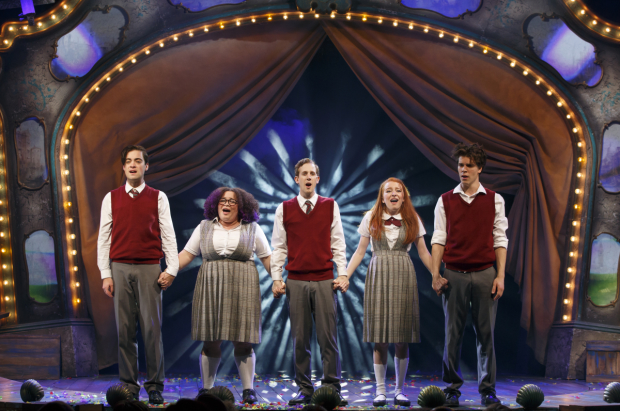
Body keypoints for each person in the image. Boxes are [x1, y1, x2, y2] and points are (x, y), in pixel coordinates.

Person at [98, 145, 179, 405]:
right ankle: (129, 386)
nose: (133, 165)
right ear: (123, 167)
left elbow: (168, 235)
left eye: (138, 161)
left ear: (146, 166)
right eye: (129, 161)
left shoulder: (158, 197)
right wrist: (106, 273)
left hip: (149, 268)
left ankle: (154, 386)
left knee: (152, 330)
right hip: (119, 267)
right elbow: (104, 238)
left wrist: (171, 269)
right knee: (124, 330)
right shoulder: (111, 198)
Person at [430, 143, 508, 407]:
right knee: (452, 334)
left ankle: (488, 390)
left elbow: (500, 239)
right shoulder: (445, 200)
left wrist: (500, 276)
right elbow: (439, 238)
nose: (463, 170)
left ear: (479, 168)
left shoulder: (495, 199)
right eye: (460, 165)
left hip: (485, 273)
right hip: (454, 274)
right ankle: (452, 389)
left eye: (469, 165)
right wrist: (436, 274)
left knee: (486, 335)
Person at [176, 187, 271, 404]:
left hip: (243, 285)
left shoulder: (252, 228)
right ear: (215, 204)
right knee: (211, 340)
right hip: (211, 285)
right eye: (222, 200)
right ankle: (207, 389)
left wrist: (277, 280)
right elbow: (187, 254)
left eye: (232, 201)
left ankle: (248, 390)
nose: (226, 204)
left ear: (241, 207)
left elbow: (267, 257)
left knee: (243, 341)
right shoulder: (204, 227)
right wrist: (169, 272)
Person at [346, 177, 432, 407]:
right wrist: (345, 275)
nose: (394, 194)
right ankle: (381, 391)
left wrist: (437, 274)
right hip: (379, 273)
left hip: (403, 273)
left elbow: (424, 252)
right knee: (380, 338)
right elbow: (360, 251)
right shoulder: (371, 217)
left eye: (398, 190)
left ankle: (399, 391)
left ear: (404, 196)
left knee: (401, 337)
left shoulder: (412, 218)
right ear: (382, 197)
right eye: (389, 191)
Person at [271, 158, 349, 405]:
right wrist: (276, 277)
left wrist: (343, 273)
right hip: (296, 281)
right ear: (297, 179)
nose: (307, 177)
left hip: (324, 279)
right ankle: (304, 389)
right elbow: (279, 247)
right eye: (303, 174)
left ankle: (332, 388)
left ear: (317, 178)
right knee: (300, 339)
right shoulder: (284, 208)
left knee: (328, 338)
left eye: (311, 173)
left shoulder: (330, 206)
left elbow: (338, 243)